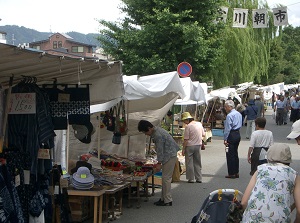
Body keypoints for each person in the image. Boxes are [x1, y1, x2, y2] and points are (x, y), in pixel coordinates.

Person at [241, 143, 300, 222]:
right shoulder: (294, 175)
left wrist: (248, 216)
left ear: (268, 158)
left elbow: (244, 202)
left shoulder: (260, 170)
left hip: (253, 218)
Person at [138, 120, 179, 206]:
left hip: (169, 155)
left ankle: (167, 200)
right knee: (165, 178)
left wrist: (159, 163)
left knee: (166, 179)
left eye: (145, 132)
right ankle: (163, 198)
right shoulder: (158, 131)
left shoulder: (157, 135)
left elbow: (160, 150)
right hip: (170, 154)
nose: (146, 134)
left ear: (149, 128)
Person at [181, 112, 205, 183]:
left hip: (190, 146)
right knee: (197, 162)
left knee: (189, 162)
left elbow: (186, 139)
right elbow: (203, 134)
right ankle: (199, 178)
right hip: (198, 145)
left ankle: (191, 178)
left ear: (187, 119)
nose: (184, 122)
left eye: (184, 121)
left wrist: (183, 149)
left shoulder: (188, 127)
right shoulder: (199, 124)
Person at [223, 100, 242, 179]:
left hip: (231, 134)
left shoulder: (229, 115)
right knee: (235, 153)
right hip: (237, 133)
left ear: (230, 107)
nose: (225, 108)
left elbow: (228, 128)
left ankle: (232, 173)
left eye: (226, 107)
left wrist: (225, 138)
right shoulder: (238, 114)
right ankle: (236, 171)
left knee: (230, 154)